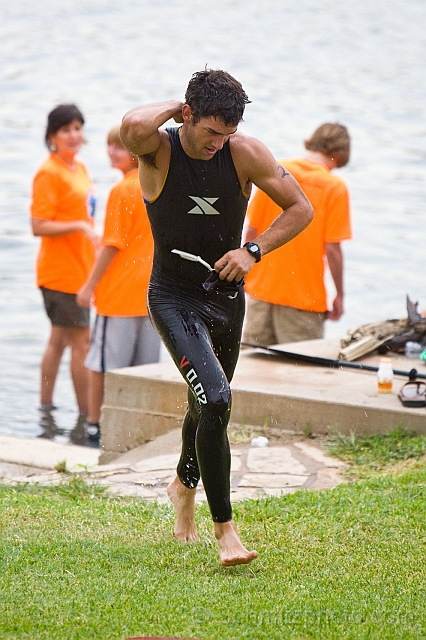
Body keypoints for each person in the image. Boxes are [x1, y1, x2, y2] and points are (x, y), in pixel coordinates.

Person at [120, 69, 313, 566]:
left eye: (226, 134)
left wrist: (254, 249)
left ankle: (182, 487)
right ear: (187, 115)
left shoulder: (244, 152)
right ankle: (226, 530)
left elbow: (300, 208)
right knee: (218, 397)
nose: (217, 144)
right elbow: (130, 126)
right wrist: (178, 108)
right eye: (210, 132)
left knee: (206, 402)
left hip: (227, 299)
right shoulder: (159, 151)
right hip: (173, 299)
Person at [77, 125, 161, 443]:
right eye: (110, 146)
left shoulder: (122, 189)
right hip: (153, 292)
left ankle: (95, 425)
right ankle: (134, 428)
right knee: (142, 368)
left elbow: (112, 244)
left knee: (103, 364)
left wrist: (88, 286)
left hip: (120, 292)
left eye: (120, 147)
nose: (113, 152)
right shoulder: (157, 184)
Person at [243, 123, 352, 346]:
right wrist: (340, 294)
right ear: (338, 155)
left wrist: (245, 269)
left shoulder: (277, 171)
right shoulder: (334, 187)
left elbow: (252, 229)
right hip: (304, 300)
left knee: (250, 368)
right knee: (300, 372)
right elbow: (333, 248)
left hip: (261, 290)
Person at [30, 104, 100, 417]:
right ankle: (87, 420)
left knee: (58, 341)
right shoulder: (49, 172)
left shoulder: (79, 167)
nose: (74, 135)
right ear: (52, 137)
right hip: (61, 273)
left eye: (77, 128)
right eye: (66, 130)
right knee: (81, 343)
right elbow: (38, 224)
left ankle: (45, 408)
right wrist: (80, 226)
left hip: (80, 269)